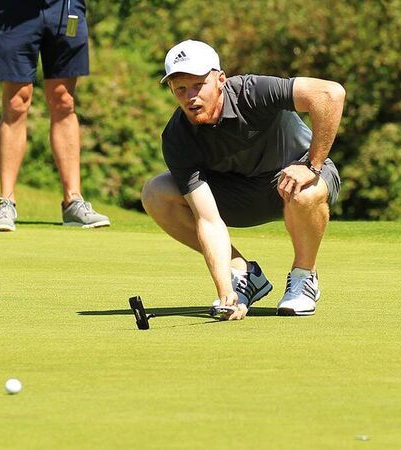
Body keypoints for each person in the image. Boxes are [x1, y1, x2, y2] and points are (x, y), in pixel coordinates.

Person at [142, 40, 344, 320]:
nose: (190, 96)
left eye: (198, 85)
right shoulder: (177, 138)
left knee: (304, 193)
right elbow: (208, 219)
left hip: (298, 178)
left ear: (220, 79)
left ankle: (303, 277)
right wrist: (226, 291)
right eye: (180, 89)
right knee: (156, 192)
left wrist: (312, 164)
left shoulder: (252, 92)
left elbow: (330, 93)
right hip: (240, 194)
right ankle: (243, 275)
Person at [0, 0, 110, 231]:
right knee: (16, 101)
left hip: (65, 7)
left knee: (64, 99)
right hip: (15, 10)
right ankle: (6, 201)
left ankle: (73, 202)